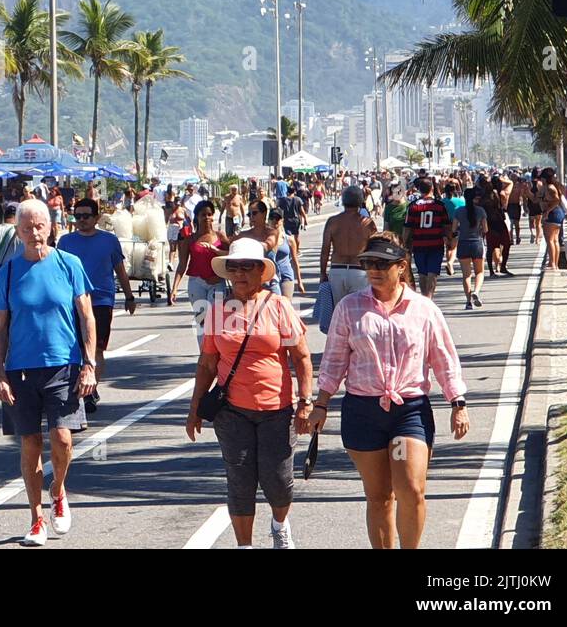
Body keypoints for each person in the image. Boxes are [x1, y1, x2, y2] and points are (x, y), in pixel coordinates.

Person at [309, 234, 469, 549]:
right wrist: (321, 404)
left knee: (410, 488)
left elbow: (443, 358)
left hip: (408, 412)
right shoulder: (349, 307)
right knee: (380, 496)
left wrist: (457, 402)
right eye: (368, 263)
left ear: (401, 267)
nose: (373, 270)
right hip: (363, 413)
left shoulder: (423, 309)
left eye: (382, 264)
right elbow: (334, 361)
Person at [186, 236, 314, 549]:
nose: (240, 273)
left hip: (276, 409)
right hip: (232, 410)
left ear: (261, 271)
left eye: (247, 267)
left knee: (279, 481)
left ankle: (279, 525)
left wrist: (305, 403)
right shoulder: (217, 311)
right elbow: (207, 364)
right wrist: (194, 408)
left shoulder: (279, 307)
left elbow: (301, 358)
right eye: (234, 267)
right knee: (240, 481)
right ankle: (245, 545)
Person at [0, 199, 97, 547]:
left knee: (63, 438)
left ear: (51, 226)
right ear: (18, 232)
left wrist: (90, 365)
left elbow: (86, 317)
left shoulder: (70, 264)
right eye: (26, 228)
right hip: (20, 370)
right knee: (30, 444)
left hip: (63, 366)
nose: (34, 233)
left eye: (39, 226)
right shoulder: (8, 272)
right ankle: (36, 518)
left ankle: (59, 488)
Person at [57, 198, 136, 413]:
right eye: (77, 216)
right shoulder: (65, 242)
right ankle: (75, 386)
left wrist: (129, 296)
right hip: (70, 302)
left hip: (100, 301)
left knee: (97, 347)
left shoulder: (109, 241)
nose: (81, 220)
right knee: (75, 347)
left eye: (86, 216)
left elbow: (120, 269)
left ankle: (91, 389)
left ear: (97, 217)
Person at [172, 200, 229, 342]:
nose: (207, 218)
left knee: (216, 320)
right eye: (203, 215)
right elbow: (182, 265)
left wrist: (217, 252)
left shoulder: (220, 236)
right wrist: (174, 288)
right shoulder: (190, 239)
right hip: (197, 283)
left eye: (210, 214)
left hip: (217, 282)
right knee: (202, 321)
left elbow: (232, 257)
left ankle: (217, 354)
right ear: (197, 217)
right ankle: (204, 355)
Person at [318, 186, 377, 311]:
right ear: (360, 201)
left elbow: (325, 249)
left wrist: (323, 272)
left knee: (340, 312)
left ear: (343, 201)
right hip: (359, 270)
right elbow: (374, 248)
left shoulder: (333, 221)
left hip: (337, 269)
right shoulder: (367, 223)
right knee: (359, 312)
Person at [402, 179, 450, 298]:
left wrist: (403, 242)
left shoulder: (412, 207)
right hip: (436, 244)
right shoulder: (439, 206)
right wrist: (449, 239)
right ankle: (429, 299)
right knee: (433, 273)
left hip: (419, 243)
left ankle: (424, 298)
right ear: (432, 189)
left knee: (422, 273)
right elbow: (446, 225)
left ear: (419, 189)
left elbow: (407, 227)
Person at [452, 188, 487, 310]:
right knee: (479, 272)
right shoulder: (481, 211)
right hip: (477, 242)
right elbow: (486, 229)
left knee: (466, 275)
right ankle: (476, 291)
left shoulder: (459, 211)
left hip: (463, 243)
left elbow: (454, 229)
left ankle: (468, 302)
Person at [540, 167, 566, 269]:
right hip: (557, 213)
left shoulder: (550, 187)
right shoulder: (553, 186)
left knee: (550, 240)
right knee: (554, 240)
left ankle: (552, 263)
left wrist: (547, 211)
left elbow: (556, 200)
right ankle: (554, 263)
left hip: (552, 214)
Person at [482, 187, 512, 277]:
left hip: (500, 225)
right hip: (491, 227)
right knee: (491, 248)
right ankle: (491, 271)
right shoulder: (485, 206)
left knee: (507, 244)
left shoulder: (498, 206)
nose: (494, 198)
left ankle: (503, 266)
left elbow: (503, 215)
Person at [439, 182, 465, 276]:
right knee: (454, 247)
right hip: (456, 225)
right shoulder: (460, 201)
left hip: (444, 226)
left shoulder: (441, 202)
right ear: (454, 190)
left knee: (448, 246)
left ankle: (450, 266)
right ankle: (450, 263)